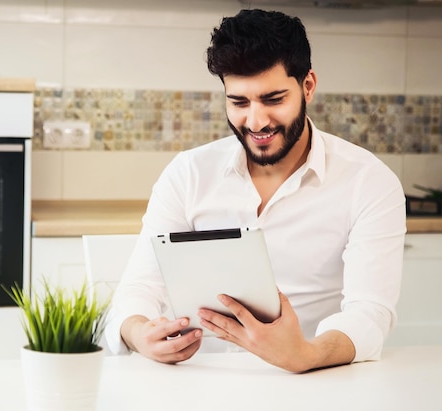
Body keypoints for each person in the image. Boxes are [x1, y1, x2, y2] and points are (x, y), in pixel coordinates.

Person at [104, 8, 406, 373]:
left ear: (307, 86)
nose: (256, 121)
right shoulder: (188, 173)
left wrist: (305, 355)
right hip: (197, 381)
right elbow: (139, 287)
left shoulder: (369, 182)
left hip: (313, 384)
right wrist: (138, 334)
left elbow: (370, 315)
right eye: (239, 103)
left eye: (273, 99)